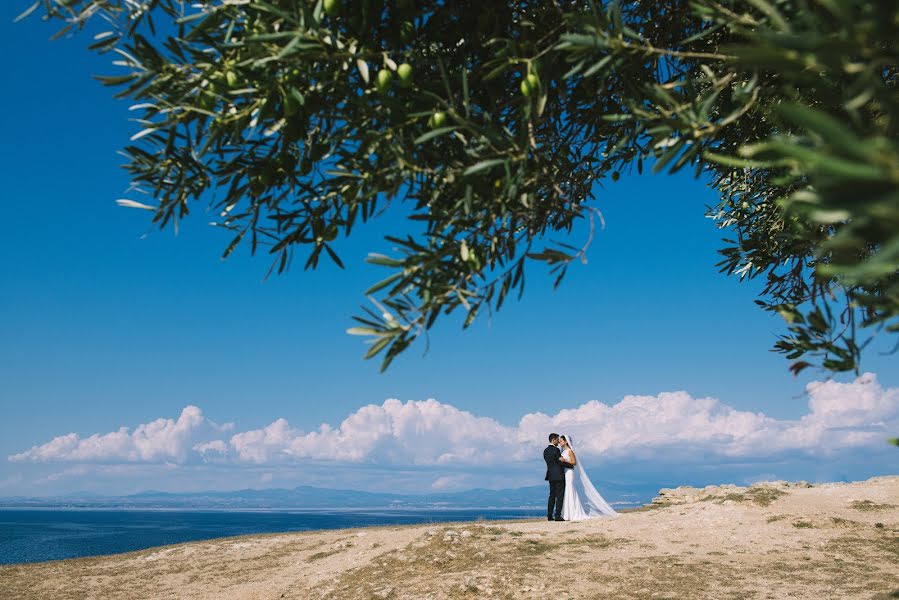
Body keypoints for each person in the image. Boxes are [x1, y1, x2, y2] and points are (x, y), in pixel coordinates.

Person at [557, 435, 617, 521]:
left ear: (566, 442)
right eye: (559, 441)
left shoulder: (570, 451)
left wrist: (564, 460)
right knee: (567, 490)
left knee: (570, 489)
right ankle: (566, 513)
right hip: (565, 472)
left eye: (561, 441)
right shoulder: (562, 452)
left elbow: (574, 462)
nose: (560, 442)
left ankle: (573, 513)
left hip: (570, 472)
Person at [543, 433, 566, 521]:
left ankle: (549, 515)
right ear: (553, 440)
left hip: (551, 475)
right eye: (557, 440)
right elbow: (559, 462)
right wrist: (562, 460)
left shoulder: (545, 451)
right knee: (559, 495)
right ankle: (557, 515)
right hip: (559, 475)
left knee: (552, 495)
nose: (558, 442)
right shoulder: (556, 450)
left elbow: (550, 462)